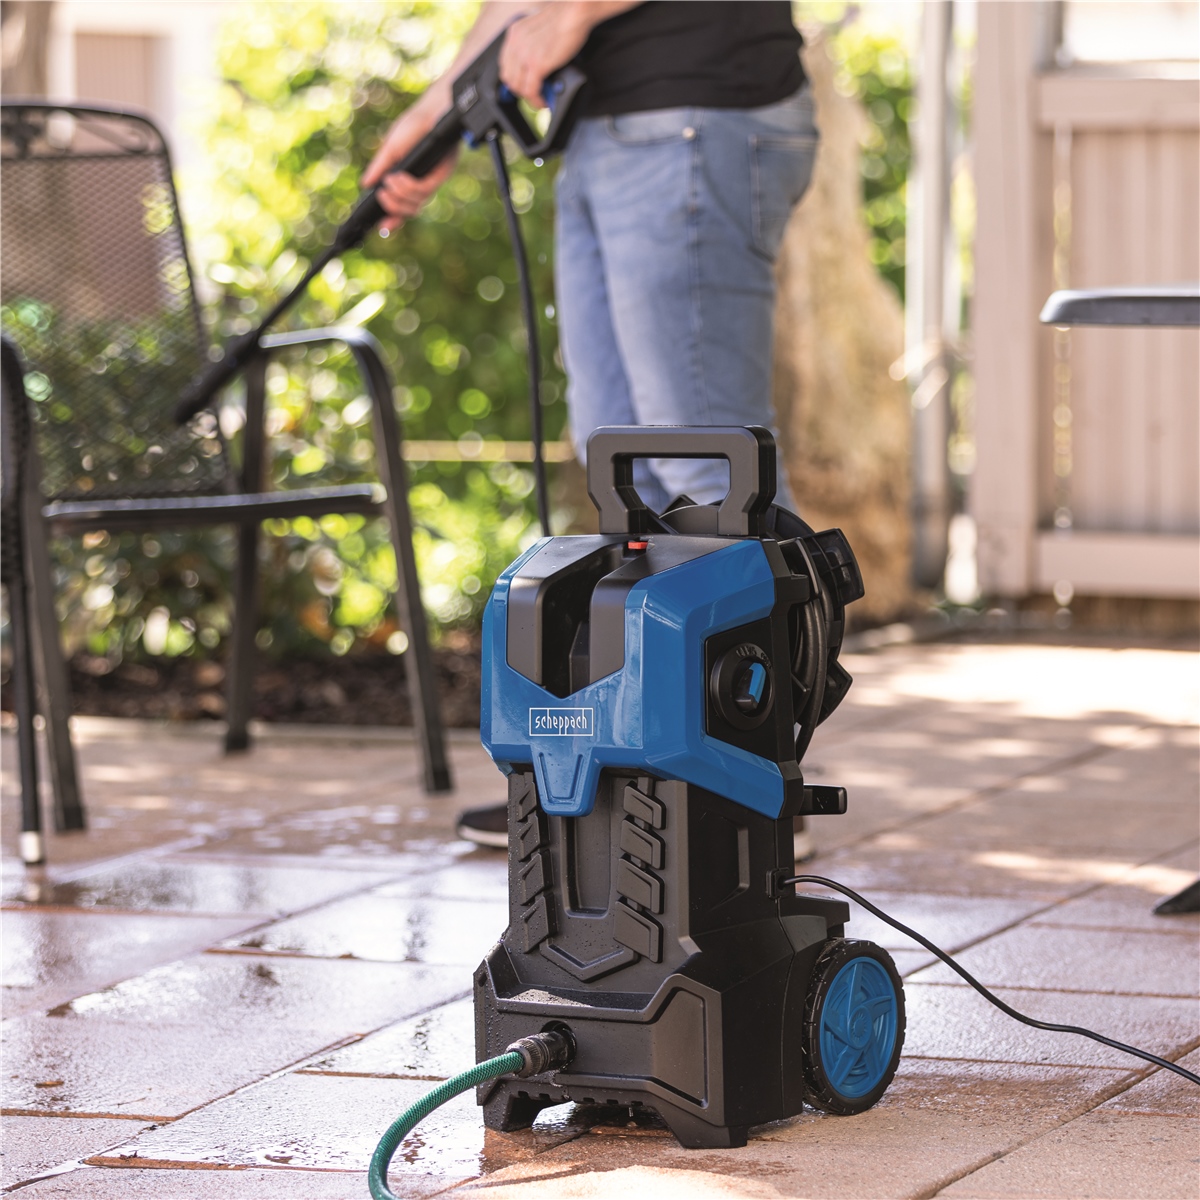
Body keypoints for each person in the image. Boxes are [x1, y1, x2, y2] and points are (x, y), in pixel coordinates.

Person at [364, 1, 818, 855]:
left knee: (712, 466)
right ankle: (635, 779)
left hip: (694, 110)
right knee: (621, 465)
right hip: (604, 129)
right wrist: (440, 110)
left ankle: (757, 796)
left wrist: (575, 11)